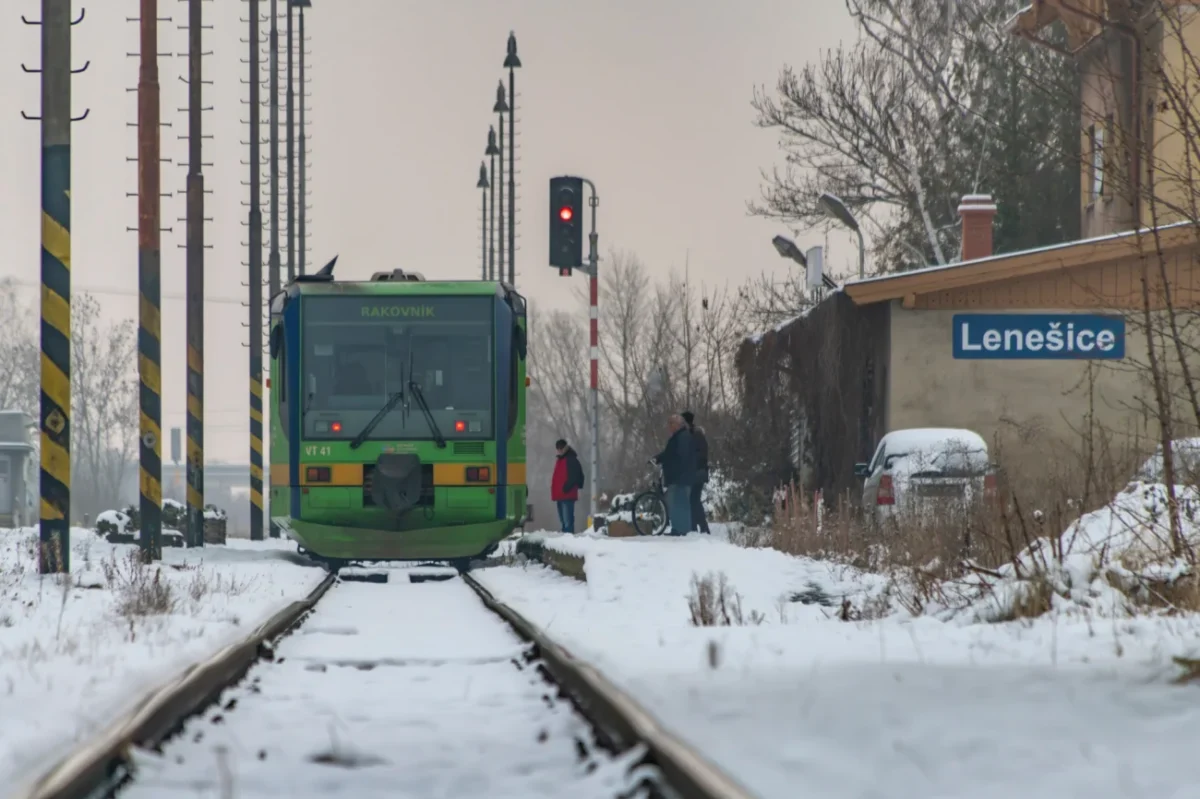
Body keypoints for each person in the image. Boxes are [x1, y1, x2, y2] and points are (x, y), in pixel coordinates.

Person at [651, 413, 696, 536]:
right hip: (679, 477)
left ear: (678, 425)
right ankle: (678, 528)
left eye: (671, 423)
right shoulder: (678, 437)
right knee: (677, 503)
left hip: (681, 477)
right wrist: (657, 459)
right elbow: (668, 453)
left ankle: (682, 530)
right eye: (669, 423)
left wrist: (674, 468)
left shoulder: (682, 437)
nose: (669, 426)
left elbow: (680, 456)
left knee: (679, 503)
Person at [681, 411, 710, 534]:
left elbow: (702, 454)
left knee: (694, 499)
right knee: (692, 500)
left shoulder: (696, 435)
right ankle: (695, 527)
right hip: (694, 473)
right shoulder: (690, 434)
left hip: (698, 473)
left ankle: (702, 527)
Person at [551, 439, 584, 533]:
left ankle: (568, 540)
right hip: (560, 495)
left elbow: (576, 475)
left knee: (567, 522)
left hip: (567, 495)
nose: (558, 450)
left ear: (564, 448)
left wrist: (566, 488)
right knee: (564, 522)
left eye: (560, 448)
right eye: (557, 449)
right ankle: (565, 539)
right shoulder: (561, 460)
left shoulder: (570, 459)